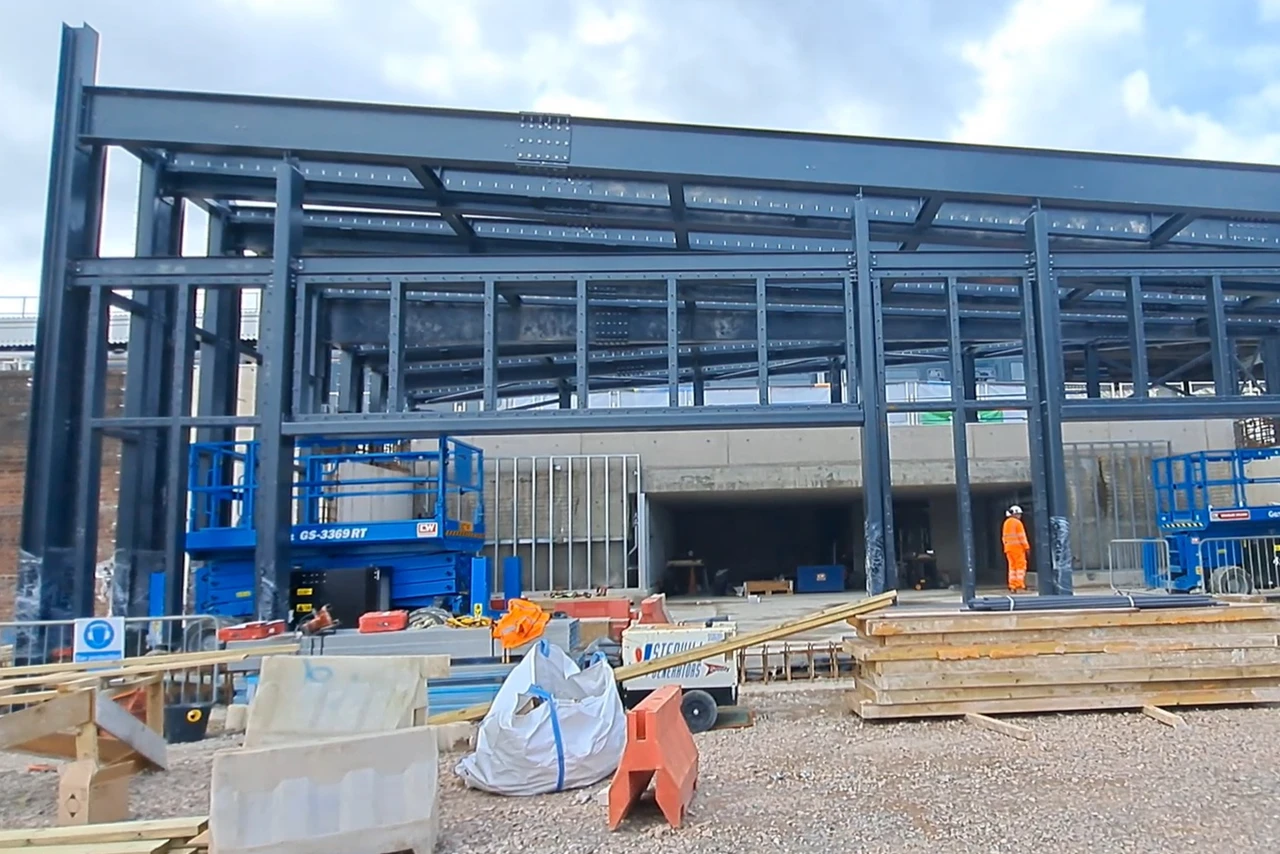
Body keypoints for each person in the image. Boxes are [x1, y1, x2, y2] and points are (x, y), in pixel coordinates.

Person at [1002, 505, 1030, 592]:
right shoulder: (1017, 523)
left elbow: (1004, 537)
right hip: (1018, 548)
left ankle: (1012, 585)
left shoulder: (1006, 523)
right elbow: (1022, 537)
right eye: (1019, 514)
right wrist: (1027, 547)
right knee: (1020, 567)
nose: (1020, 516)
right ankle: (1019, 585)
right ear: (1015, 514)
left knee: (1012, 568)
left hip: (1008, 549)